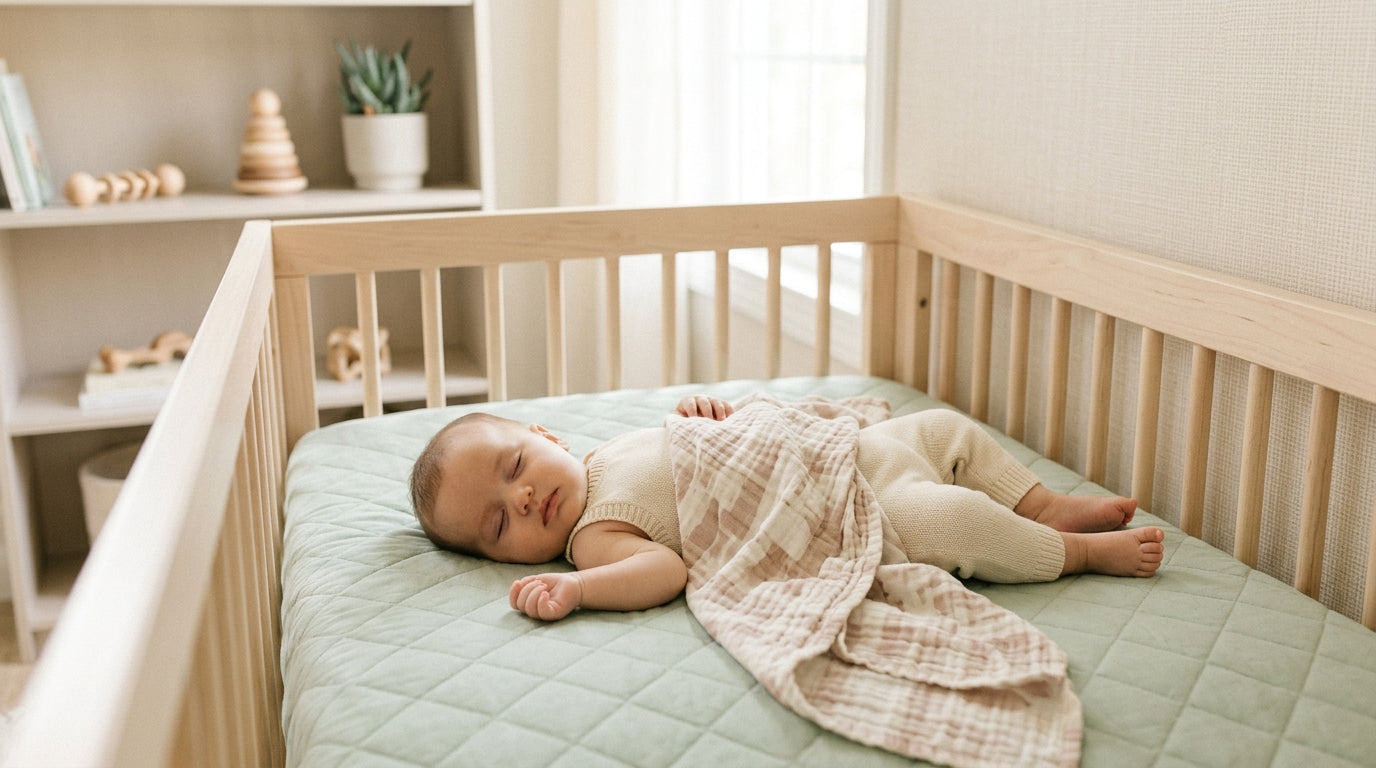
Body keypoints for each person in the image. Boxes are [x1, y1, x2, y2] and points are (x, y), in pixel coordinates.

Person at [409, 394, 1165, 621]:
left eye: (515, 466)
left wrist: (708, 417)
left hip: (839, 450)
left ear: (545, 435)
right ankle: (1077, 553)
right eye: (498, 523)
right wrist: (577, 590)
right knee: (955, 521)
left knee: (941, 430)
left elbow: (697, 451)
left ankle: (1046, 503)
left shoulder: (607, 454)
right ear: (496, 558)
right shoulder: (594, 538)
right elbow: (665, 568)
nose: (524, 497)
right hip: (848, 504)